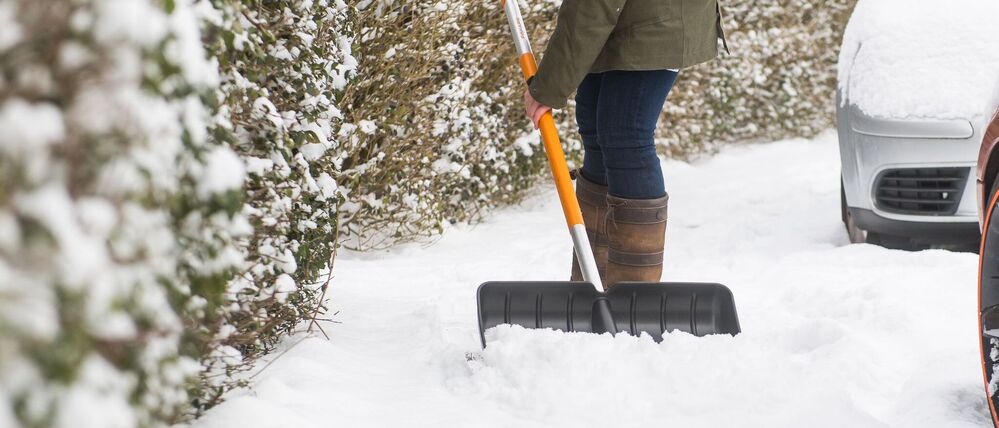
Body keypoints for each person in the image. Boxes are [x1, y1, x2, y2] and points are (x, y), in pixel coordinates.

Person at [523, 0, 727, 287]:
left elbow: (592, 5)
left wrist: (549, 85)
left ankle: (634, 297)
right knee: (597, 130)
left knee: (625, 136)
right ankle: (594, 285)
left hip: (652, 20)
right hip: (631, 17)